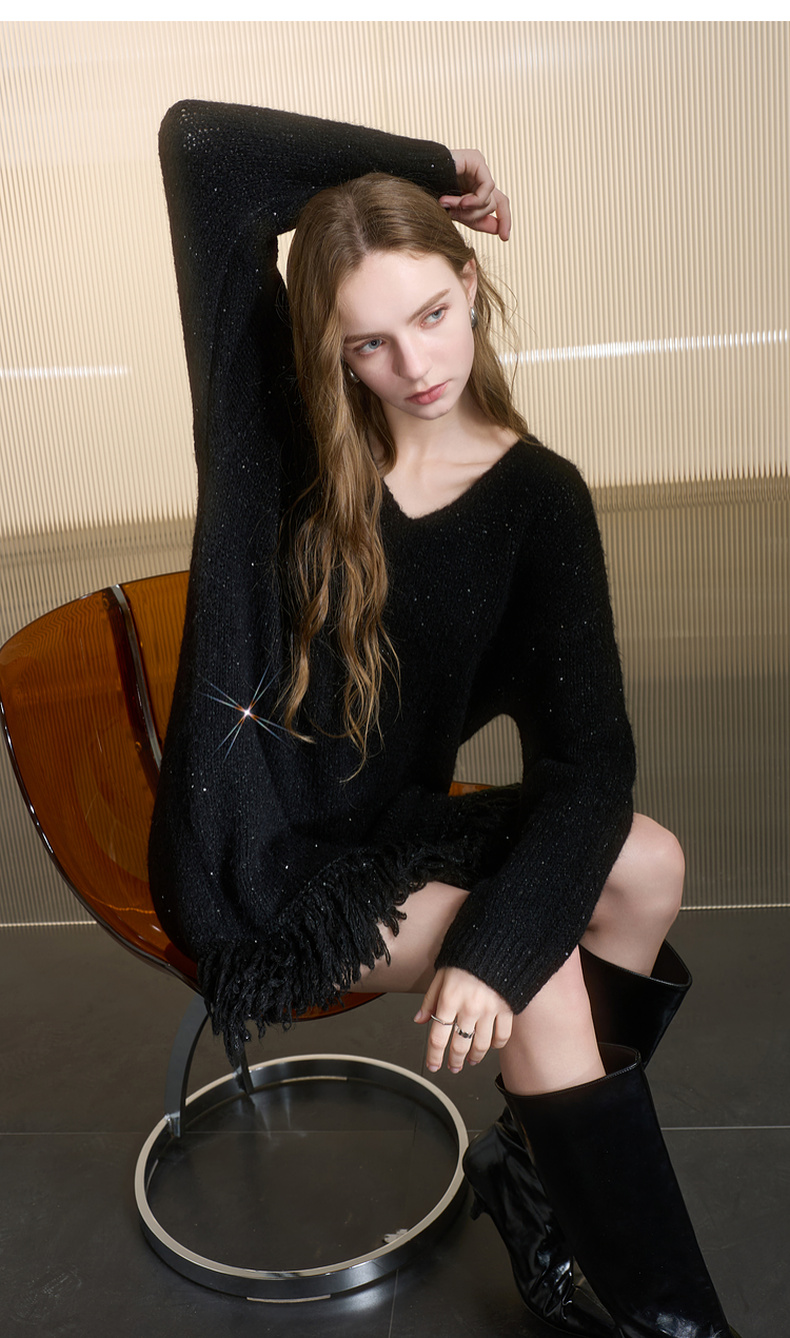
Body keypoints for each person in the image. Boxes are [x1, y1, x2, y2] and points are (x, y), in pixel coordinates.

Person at [150, 100, 740, 1337]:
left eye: (430, 314)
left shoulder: (537, 501)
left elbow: (591, 766)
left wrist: (489, 953)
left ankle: (531, 1177)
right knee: (547, 976)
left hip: (386, 826)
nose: (414, 365)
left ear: (471, 285)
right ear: (327, 349)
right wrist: (438, 168)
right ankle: (668, 1319)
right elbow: (205, 147)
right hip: (256, 860)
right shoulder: (273, 430)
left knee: (646, 862)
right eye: (366, 342)